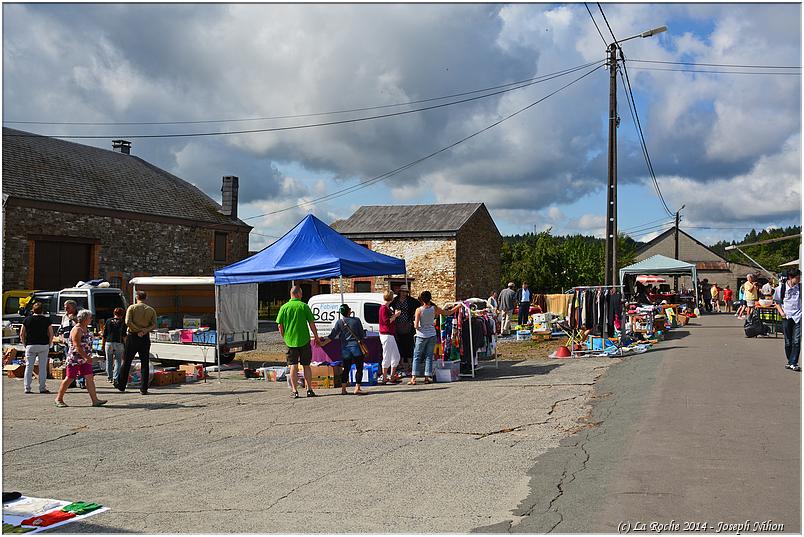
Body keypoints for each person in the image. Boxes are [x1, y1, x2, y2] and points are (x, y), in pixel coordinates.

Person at [276, 286, 321, 399]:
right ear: (298, 294)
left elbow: (279, 325)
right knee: (306, 365)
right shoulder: (303, 306)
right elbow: (311, 323)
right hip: (304, 340)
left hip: (290, 341)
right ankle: (309, 389)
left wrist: (284, 336)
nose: (302, 296)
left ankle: (295, 390)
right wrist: (316, 337)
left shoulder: (284, 307)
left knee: (293, 366)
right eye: (301, 294)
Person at [54, 309, 106, 408]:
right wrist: (86, 357)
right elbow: (76, 345)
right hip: (75, 358)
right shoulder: (77, 329)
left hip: (85, 358)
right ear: (84, 318)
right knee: (70, 378)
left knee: (89, 377)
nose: (91, 319)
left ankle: (95, 400)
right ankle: (58, 398)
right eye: (90, 318)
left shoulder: (86, 328)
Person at [409, 291, 460, 386]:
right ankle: (427, 377)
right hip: (432, 335)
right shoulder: (434, 309)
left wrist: (416, 325)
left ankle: (413, 378)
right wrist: (457, 307)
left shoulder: (418, 310)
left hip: (421, 335)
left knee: (417, 356)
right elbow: (448, 313)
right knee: (429, 356)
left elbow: (416, 325)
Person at [319, 304, 368, 395]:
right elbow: (362, 335)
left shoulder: (339, 322)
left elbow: (332, 336)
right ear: (349, 311)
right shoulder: (356, 320)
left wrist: (322, 344)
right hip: (356, 348)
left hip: (345, 349)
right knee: (359, 368)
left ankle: (343, 389)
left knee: (346, 368)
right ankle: (357, 387)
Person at [116, 291, 157, 395]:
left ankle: (121, 385)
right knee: (144, 362)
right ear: (146, 298)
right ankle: (144, 388)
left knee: (127, 361)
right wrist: (144, 331)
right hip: (144, 337)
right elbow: (154, 324)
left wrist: (137, 330)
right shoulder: (151, 310)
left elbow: (128, 322)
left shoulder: (132, 308)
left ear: (136, 297)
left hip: (133, 336)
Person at [20, 302, 54, 394]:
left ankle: (27, 388)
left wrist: (24, 344)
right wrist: (49, 343)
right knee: (42, 367)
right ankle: (42, 388)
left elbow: (22, 334)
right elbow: (51, 333)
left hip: (30, 345)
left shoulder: (27, 320)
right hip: (43, 345)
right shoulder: (47, 320)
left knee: (29, 366)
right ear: (42, 310)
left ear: (32, 310)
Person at [774, 269, 801, 372]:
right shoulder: (780, 289)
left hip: (798, 316)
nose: (799, 280)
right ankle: (790, 361)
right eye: (797, 278)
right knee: (788, 341)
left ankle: (794, 362)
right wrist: (782, 313)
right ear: (790, 277)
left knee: (796, 340)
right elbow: (776, 302)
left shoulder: (801, 288)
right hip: (786, 316)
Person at [390, 285, 419, 369]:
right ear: (400, 292)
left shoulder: (411, 301)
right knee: (399, 345)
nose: (403, 293)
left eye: (405, 292)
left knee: (409, 344)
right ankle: (401, 363)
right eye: (402, 291)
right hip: (398, 325)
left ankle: (410, 364)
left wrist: (413, 318)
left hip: (408, 325)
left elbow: (418, 306)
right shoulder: (395, 300)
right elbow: (388, 306)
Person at [378, 290, 401, 385]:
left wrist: (394, 314)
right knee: (387, 355)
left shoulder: (388, 308)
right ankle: (384, 377)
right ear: (391, 298)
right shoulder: (383, 308)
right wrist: (395, 315)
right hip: (386, 334)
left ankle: (391, 376)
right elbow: (386, 322)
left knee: (396, 355)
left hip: (390, 334)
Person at [102, 307, 126, 383]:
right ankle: (116, 378)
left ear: (114, 313)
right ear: (122, 314)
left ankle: (110, 377)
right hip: (119, 343)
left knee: (109, 361)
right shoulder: (123, 322)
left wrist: (103, 344)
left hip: (108, 343)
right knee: (118, 361)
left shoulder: (108, 321)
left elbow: (104, 334)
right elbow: (124, 335)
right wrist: (126, 345)